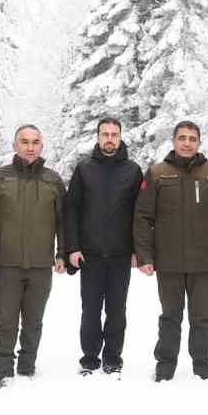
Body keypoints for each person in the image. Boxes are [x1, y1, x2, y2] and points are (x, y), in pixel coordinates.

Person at [134, 121, 208, 381]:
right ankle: (165, 367)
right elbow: (143, 217)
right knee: (170, 317)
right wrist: (145, 256)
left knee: (202, 318)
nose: (187, 143)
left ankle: (202, 367)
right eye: (182, 138)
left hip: (203, 262)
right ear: (174, 141)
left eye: (192, 138)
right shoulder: (157, 173)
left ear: (199, 142)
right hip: (168, 262)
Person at [0, 125, 66, 385]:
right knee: (6, 322)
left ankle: (27, 367)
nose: (30, 147)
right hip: (6, 263)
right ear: (15, 145)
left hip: (41, 264)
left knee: (34, 322)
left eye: (35, 142)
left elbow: (63, 222)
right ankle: (5, 373)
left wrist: (61, 252)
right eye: (24, 142)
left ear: (41, 146)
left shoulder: (53, 180)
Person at [65, 117, 142, 376]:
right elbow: (71, 210)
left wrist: (137, 250)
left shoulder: (132, 170)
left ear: (120, 137)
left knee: (117, 310)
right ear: (98, 137)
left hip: (121, 255)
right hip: (90, 255)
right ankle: (89, 357)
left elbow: (139, 214)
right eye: (105, 134)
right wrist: (72, 248)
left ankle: (112, 357)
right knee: (90, 309)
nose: (110, 139)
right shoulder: (84, 169)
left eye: (114, 134)